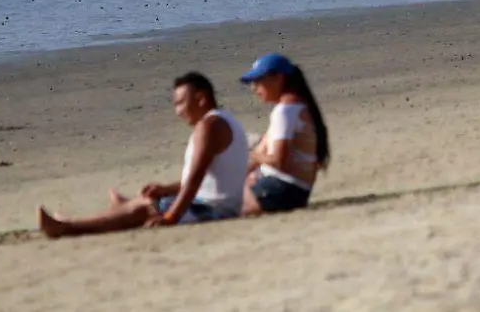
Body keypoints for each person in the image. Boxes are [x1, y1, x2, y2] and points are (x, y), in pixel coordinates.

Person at [37, 72, 248, 238]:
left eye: (180, 103)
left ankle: (67, 227)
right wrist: (165, 189)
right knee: (150, 200)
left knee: (145, 208)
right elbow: (208, 178)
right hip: (216, 205)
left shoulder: (209, 127)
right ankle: (121, 208)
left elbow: (194, 181)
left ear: (201, 98)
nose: (177, 111)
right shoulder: (224, 120)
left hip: (211, 211)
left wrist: (170, 217)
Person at [238, 54, 329, 216]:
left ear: (277, 78)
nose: (254, 88)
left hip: (280, 190)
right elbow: (265, 149)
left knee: (217, 207)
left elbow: (279, 161)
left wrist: (246, 152)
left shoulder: (285, 111)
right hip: (295, 191)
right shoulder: (298, 106)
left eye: (258, 81)